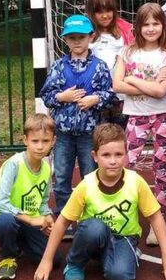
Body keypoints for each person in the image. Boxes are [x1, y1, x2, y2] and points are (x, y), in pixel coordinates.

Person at [33, 123, 166, 280]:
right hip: (94, 236)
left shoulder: (136, 182)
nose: (113, 161)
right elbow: (62, 221)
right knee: (95, 228)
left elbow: (155, 217)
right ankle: (75, 264)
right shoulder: (87, 185)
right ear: (95, 156)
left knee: (121, 278)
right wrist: (46, 260)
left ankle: (121, 256)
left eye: (118, 154)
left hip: (124, 237)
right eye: (106, 155)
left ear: (126, 155)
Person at [39, 14, 115, 238]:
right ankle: (64, 220)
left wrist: (95, 99)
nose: (77, 41)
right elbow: (46, 95)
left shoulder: (99, 67)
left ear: (91, 37)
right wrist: (62, 97)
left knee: (90, 176)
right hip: (63, 134)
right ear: (65, 40)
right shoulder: (59, 66)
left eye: (81, 37)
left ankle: (89, 220)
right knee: (61, 178)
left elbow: (110, 95)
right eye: (72, 38)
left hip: (89, 134)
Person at [113, 3, 166, 246]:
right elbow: (117, 85)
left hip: (161, 116)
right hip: (136, 116)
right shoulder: (127, 53)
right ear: (137, 27)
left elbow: (161, 92)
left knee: (161, 168)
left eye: (155, 23)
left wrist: (131, 79)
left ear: (163, 26)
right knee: (128, 164)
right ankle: (124, 213)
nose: (150, 28)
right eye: (145, 24)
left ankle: (158, 220)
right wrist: (145, 85)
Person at [0, 114, 61, 280]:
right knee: (5, 222)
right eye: (35, 141)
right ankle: (8, 256)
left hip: (28, 219)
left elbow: (42, 200)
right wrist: (30, 220)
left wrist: (46, 216)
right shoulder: (14, 164)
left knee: (56, 259)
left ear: (53, 141)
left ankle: (18, 241)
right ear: (25, 140)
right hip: (5, 215)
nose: (40, 146)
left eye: (45, 141)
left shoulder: (46, 168)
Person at [86, 0, 134, 127]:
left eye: (108, 10)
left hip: (120, 95)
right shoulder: (87, 35)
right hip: (96, 95)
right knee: (100, 134)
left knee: (121, 132)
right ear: (91, 13)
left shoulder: (124, 30)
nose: (105, 16)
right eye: (99, 12)